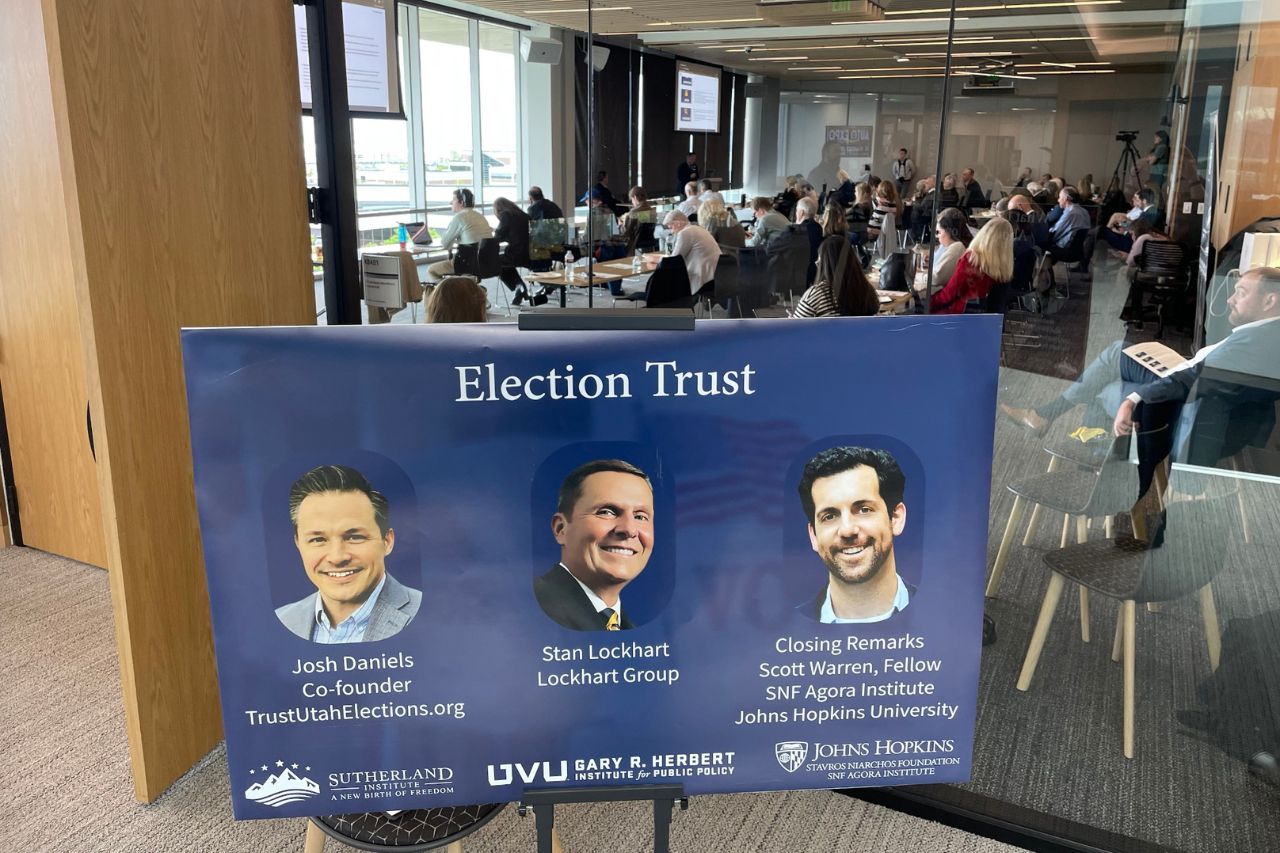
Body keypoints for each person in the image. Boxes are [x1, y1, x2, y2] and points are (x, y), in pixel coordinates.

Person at [1001, 267, 1280, 494]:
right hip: (1191, 389)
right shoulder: (1264, 334)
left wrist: (1135, 398)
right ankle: (1093, 458)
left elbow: (1194, 379)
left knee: (1113, 359)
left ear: (1270, 301)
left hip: (1185, 401)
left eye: (1241, 293)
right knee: (1108, 383)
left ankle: (1059, 427)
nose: (1230, 299)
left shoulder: (1259, 341)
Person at [275, 465, 422, 643]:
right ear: (298, 544)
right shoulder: (282, 621)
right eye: (318, 540)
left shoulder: (429, 613)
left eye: (354, 537)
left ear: (387, 541)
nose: (337, 557)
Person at [795, 446, 914, 623]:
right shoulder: (791, 629)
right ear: (813, 535)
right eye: (830, 516)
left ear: (895, 518)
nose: (847, 530)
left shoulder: (942, 614)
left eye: (864, 509)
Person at [533, 459, 655, 632]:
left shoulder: (626, 628)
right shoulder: (530, 610)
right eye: (606, 512)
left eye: (640, 516)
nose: (629, 529)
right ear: (561, 529)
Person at [930, 216, 1013, 314]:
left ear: (984, 233)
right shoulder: (1006, 270)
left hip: (959, 319)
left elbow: (950, 293)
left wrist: (928, 302)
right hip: (986, 323)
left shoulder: (972, 259)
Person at [793, 236, 880, 318]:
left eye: (818, 262)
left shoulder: (816, 295)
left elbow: (796, 329)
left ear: (823, 264)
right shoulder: (866, 290)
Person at [426, 188, 494, 283]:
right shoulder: (480, 216)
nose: (451, 202)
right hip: (485, 264)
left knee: (432, 270)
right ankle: (460, 287)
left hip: (465, 263)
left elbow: (445, 243)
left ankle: (447, 293)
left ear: (461, 202)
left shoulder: (459, 217)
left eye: (453, 200)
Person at [492, 196, 541, 305]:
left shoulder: (505, 215)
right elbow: (518, 233)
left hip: (518, 254)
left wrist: (495, 232)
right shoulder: (524, 215)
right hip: (533, 254)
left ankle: (518, 286)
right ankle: (520, 288)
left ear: (498, 209)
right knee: (505, 263)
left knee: (496, 262)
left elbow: (498, 236)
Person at [662, 210, 721, 295]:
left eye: (671, 227)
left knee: (667, 281)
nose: (671, 231)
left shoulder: (685, 233)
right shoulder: (698, 229)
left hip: (705, 278)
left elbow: (674, 260)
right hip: (718, 274)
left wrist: (657, 259)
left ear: (678, 223)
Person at [930, 207, 969, 291]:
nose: (936, 236)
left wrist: (920, 277)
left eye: (938, 232)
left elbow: (936, 278)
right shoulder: (949, 246)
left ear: (949, 231)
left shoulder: (957, 247)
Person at [1048, 187, 1091, 260]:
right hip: (1078, 251)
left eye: (1059, 197)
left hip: (1066, 250)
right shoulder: (1084, 211)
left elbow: (1056, 232)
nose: (1058, 200)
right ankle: (1046, 269)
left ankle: (1041, 269)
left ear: (1065, 198)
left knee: (1035, 247)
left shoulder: (1070, 213)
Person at [794, 197, 823, 285]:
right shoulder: (818, 227)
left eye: (797, 210)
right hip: (814, 269)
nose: (795, 213)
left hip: (799, 271)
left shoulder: (798, 230)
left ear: (801, 212)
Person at [1145, 130, 1170, 194]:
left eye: (1156, 137)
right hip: (1156, 173)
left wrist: (1151, 157)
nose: (1154, 138)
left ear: (1161, 138)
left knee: (1155, 192)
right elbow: (1147, 159)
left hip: (1158, 174)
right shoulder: (1158, 147)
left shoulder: (1162, 147)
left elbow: (1151, 161)